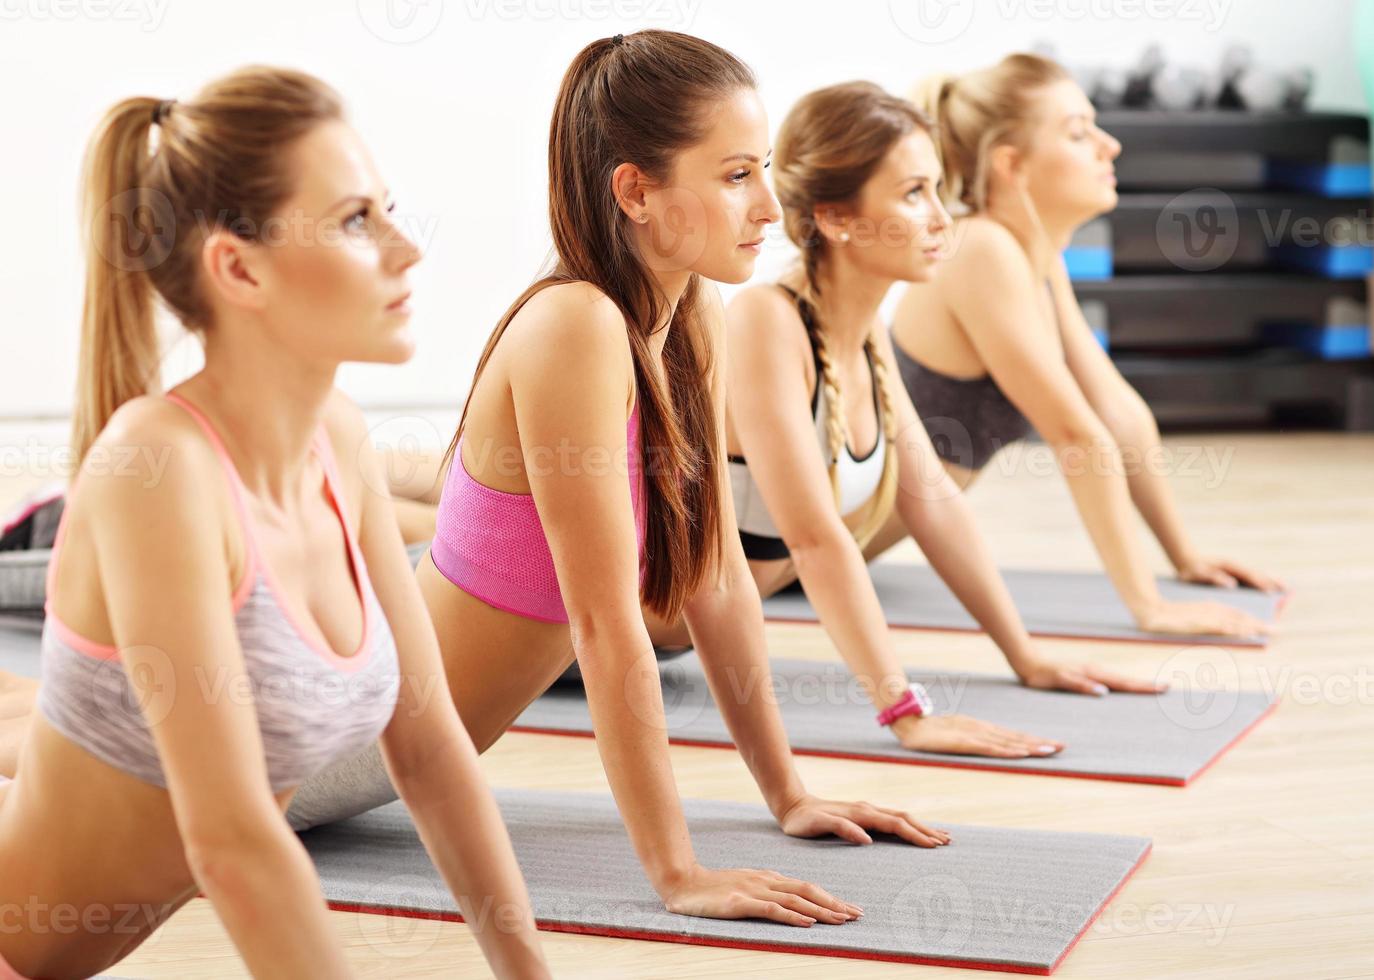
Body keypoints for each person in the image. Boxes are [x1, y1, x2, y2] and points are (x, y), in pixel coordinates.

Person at [285, 32, 953, 930]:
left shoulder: (694, 316)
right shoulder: (576, 326)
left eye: (762, 170)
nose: (768, 206)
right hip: (326, 734)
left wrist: (788, 794)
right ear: (636, 191)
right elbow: (604, 629)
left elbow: (717, 581)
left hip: (370, 673)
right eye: (733, 176)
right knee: (70, 764)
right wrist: (676, 872)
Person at [0, 67, 550, 978]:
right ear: (239, 267)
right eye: (354, 221)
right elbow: (233, 844)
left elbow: (427, 742)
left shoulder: (338, 437)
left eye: (388, 210)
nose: (407, 249)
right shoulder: (162, 469)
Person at [646, 80, 1161, 761]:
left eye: (938, 190)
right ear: (836, 218)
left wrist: (1026, 656)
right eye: (914, 193)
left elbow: (933, 504)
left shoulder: (862, 334)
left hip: (669, 647)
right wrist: (905, 712)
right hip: (573, 630)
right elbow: (815, 540)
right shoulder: (769, 321)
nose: (943, 219)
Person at [883, 54, 1283, 637]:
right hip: (768, 539)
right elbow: (1075, 436)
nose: (1109, 145)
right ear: (1012, 165)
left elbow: (1115, 412)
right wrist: (1149, 607)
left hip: (821, 547)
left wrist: (1184, 556)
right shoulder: (979, 249)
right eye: (1079, 132)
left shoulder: (1035, 257)